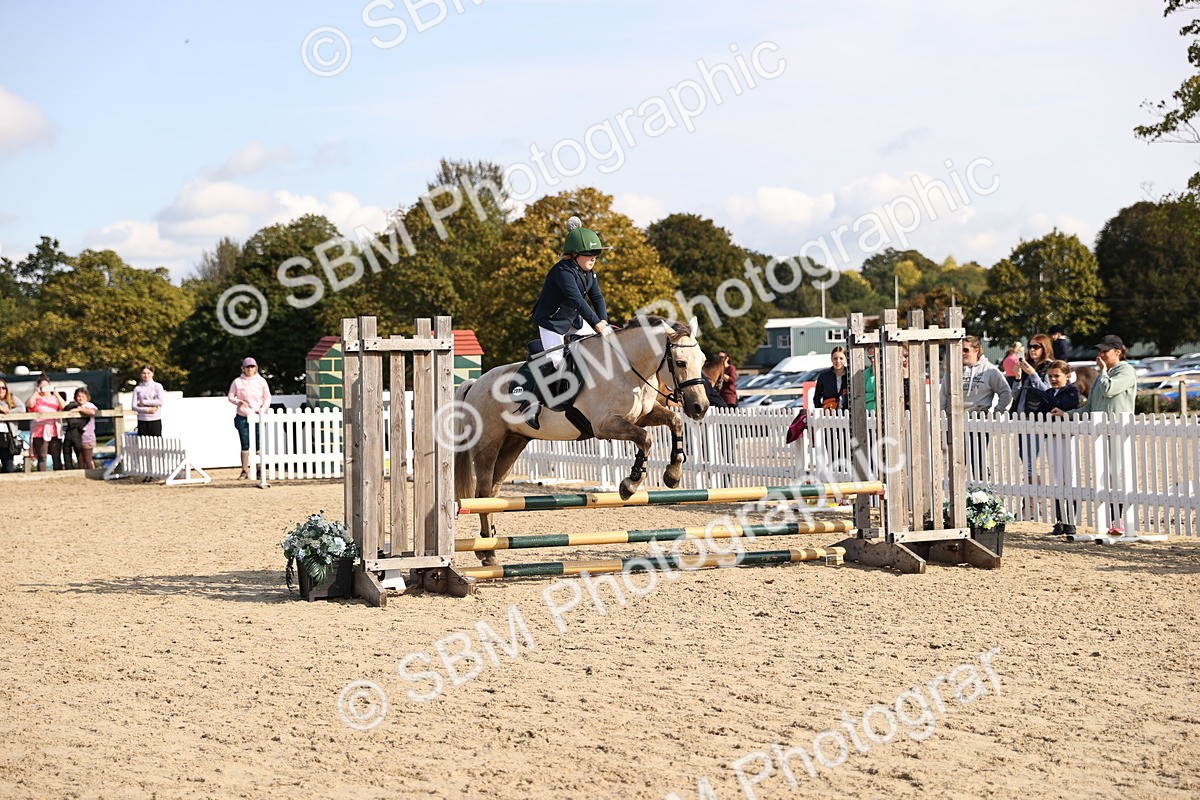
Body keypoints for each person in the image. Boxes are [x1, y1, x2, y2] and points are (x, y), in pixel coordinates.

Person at [1052, 334, 1137, 536]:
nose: (1100, 355)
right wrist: (1067, 415)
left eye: (1104, 351)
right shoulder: (1102, 376)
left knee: (1114, 476)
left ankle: (1119, 521)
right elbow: (1089, 408)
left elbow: (1109, 390)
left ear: (1118, 352)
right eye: (1099, 351)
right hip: (1101, 432)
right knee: (1104, 477)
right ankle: (1112, 521)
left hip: (1119, 431)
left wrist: (1104, 371)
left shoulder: (1125, 371)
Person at [530, 216, 613, 368]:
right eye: (589, 254)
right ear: (574, 254)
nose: (593, 258)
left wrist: (603, 320)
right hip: (552, 322)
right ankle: (546, 391)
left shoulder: (588, 273)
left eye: (595, 254)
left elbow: (597, 296)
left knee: (598, 347)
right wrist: (596, 324)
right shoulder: (562, 271)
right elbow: (577, 300)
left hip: (573, 320)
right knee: (557, 365)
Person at [945, 336, 1012, 481]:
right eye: (959, 350)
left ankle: (981, 493)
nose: (962, 353)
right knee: (955, 460)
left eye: (965, 350)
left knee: (977, 459)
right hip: (955, 419)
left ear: (976, 350)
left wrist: (997, 412)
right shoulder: (953, 370)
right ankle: (957, 496)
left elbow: (1006, 393)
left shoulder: (989, 370)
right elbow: (944, 394)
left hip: (979, 419)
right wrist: (942, 415)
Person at [1040, 360, 1081, 536]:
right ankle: (1059, 520)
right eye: (1050, 376)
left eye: (1057, 376)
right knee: (1056, 477)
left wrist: (1051, 404)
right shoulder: (1048, 392)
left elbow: (1065, 405)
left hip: (1067, 437)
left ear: (1067, 376)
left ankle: (1070, 520)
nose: (1053, 379)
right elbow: (1041, 410)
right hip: (1052, 437)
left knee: (1069, 477)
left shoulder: (1072, 391)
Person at [1010, 333, 1054, 482]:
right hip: (1022, 416)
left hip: (1037, 416)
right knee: (1024, 455)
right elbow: (1014, 395)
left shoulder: (1049, 366)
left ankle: (1031, 496)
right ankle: (1032, 493)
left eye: (1036, 346)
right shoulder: (1027, 365)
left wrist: (1033, 374)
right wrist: (1017, 377)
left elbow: (1048, 392)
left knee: (1031, 458)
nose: (1032, 350)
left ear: (1045, 348)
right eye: (1030, 347)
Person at [227, 357, 272, 479]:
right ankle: (244, 470)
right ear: (243, 368)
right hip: (243, 416)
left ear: (256, 368)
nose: (250, 369)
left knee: (258, 443)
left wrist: (263, 409)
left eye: (252, 367)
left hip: (257, 415)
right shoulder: (237, 382)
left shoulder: (261, 381)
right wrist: (238, 401)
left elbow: (267, 397)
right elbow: (230, 396)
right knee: (245, 443)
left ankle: (259, 469)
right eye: (248, 367)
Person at [27, 374, 65, 471]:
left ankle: (58, 475)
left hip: (55, 431)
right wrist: (36, 392)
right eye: (42, 386)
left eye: (47, 386)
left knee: (56, 456)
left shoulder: (54, 398)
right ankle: (42, 475)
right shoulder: (36, 398)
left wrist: (56, 393)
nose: (45, 389)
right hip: (39, 431)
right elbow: (29, 405)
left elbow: (64, 407)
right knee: (42, 456)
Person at [62, 388, 99, 470]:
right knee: (80, 459)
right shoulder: (74, 406)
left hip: (87, 437)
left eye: (83, 396)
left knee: (88, 459)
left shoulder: (89, 405)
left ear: (87, 397)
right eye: (78, 396)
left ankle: (92, 473)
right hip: (78, 437)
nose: (80, 398)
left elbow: (93, 412)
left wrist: (80, 410)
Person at [132, 365, 165, 437]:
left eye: (148, 373)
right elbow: (134, 406)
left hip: (155, 419)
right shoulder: (137, 388)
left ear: (152, 373)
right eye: (144, 373)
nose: (146, 375)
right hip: (142, 420)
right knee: (143, 444)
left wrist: (143, 402)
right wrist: (148, 409)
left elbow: (160, 401)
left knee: (156, 444)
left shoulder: (157, 386)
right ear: (141, 374)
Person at [0, 380, 26, 473]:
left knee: (8, 466)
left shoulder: (11, 398)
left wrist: (9, 412)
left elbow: (22, 409)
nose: (1, 390)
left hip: (8, 436)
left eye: (3, 388)